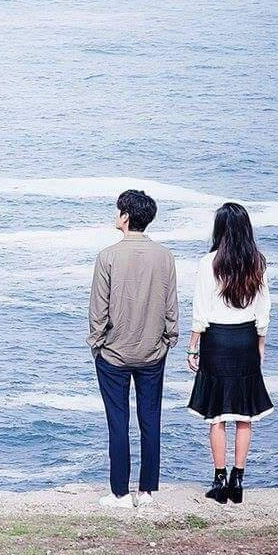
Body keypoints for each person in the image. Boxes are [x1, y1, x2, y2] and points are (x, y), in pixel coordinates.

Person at [88, 188, 179, 510]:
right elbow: (171, 307)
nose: (116, 216)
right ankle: (147, 492)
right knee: (150, 419)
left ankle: (120, 494)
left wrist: (97, 344)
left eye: (117, 211)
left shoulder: (108, 256)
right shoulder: (164, 256)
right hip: (153, 352)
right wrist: (168, 340)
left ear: (125, 216)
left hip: (113, 354)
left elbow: (98, 310)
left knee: (118, 421)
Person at [186, 201, 273, 504]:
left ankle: (219, 480)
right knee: (245, 415)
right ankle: (238, 481)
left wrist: (192, 347)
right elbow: (263, 310)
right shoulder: (258, 262)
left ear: (220, 228)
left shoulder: (208, 262)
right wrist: (259, 346)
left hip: (217, 341)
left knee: (217, 416)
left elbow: (200, 310)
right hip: (246, 340)